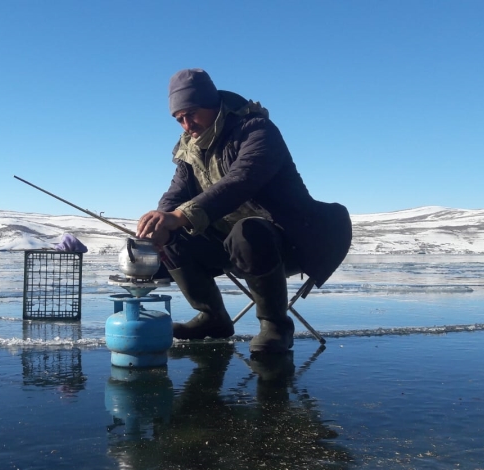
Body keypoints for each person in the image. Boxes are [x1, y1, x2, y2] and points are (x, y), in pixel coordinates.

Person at [137, 68, 351, 354]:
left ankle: (276, 325)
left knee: (247, 231)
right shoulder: (189, 149)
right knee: (174, 236)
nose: (186, 125)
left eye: (192, 113)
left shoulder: (257, 130)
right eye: (179, 119)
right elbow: (177, 192)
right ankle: (213, 319)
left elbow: (241, 182)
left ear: (212, 105)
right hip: (228, 244)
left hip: (287, 241)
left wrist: (180, 215)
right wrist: (162, 220)